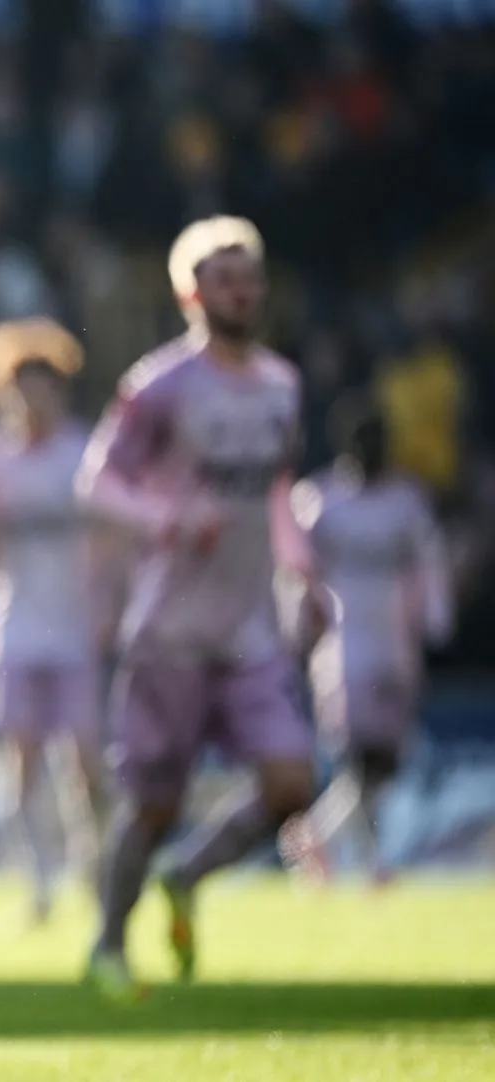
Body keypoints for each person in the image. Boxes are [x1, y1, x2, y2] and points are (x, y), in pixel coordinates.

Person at [78, 216, 317, 1001]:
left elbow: (276, 490)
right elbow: (99, 481)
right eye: (224, 278)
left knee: (291, 784)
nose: (241, 291)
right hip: (170, 629)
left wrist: (300, 566)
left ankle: (190, 875)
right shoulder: (161, 385)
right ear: (191, 292)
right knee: (153, 801)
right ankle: (108, 945)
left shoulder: (282, 385)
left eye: (250, 277)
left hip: (248, 627)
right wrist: (167, 521)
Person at [0, 317, 108, 928]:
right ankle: (36, 885)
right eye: (16, 389)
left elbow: (116, 536)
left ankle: (92, 871)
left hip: (77, 624)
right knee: (19, 764)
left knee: (86, 764)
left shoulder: (86, 452)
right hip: (11, 626)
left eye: (41, 386)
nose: (28, 401)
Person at [279, 401, 453, 886]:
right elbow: (297, 572)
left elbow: (429, 565)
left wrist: (435, 620)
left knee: (385, 763)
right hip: (344, 647)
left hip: (396, 647)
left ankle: (315, 834)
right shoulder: (321, 501)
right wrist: (294, 629)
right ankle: (375, 864)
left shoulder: (407, 503)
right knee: (359, 758)